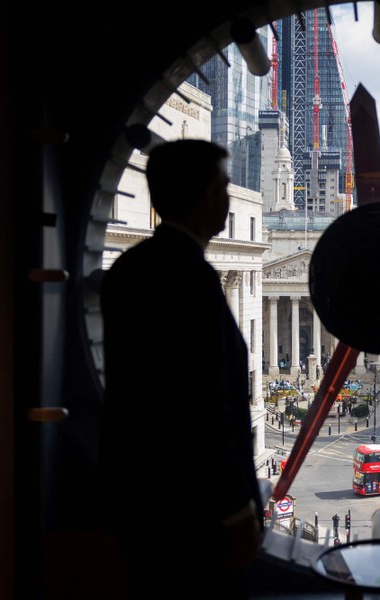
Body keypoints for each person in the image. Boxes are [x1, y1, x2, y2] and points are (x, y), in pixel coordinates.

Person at [98, 140, 262, 599]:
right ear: (209, 195)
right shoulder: (190, 278)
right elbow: (205, 410)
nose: (229, 201)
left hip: (139, 505)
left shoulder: (128, 270)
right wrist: (236, 512)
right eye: (226, 188)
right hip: (196, 517)